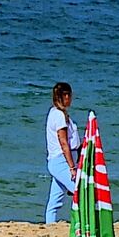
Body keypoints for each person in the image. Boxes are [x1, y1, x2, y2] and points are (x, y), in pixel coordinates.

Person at [44, 82, 80, 223]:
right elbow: (63, 142)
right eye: (70, 96)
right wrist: (72, 167)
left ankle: (50, 225)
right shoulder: (59, 115)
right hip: (61, 161)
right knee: (80, 192)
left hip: (59, 160)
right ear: (66, 95)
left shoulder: (56, 113)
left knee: (55, 200)